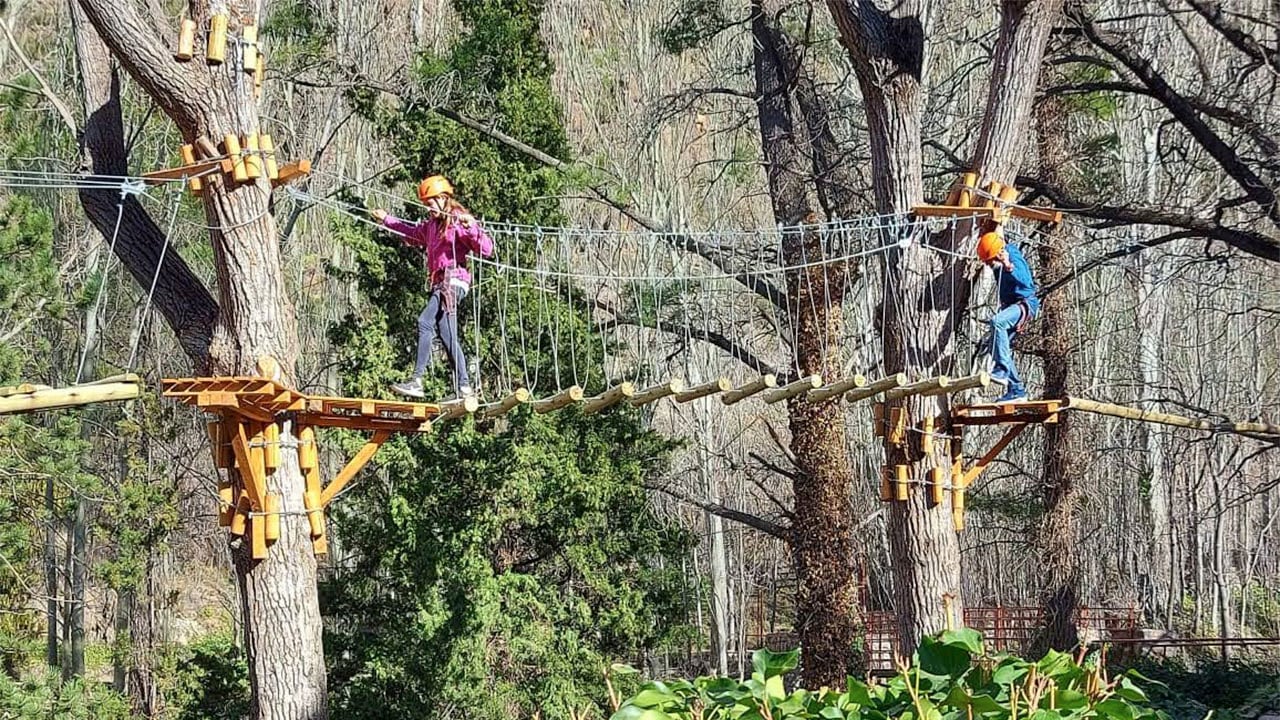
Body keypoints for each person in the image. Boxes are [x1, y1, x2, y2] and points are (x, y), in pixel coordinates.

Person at [372, 175, 494, 400]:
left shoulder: (458, 221)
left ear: (443, 198)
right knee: (447, 334)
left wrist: (473, 227)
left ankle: (417, 380)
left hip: (453, 281)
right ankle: (464, 388)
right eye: (426, 204)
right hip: (441, 282)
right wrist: (386, 220)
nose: (428, 209)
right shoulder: (431, 227)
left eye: (431, 203)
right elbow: (409, 232)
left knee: (425, 321)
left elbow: (486, 249)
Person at [976, 228, 1038, 403]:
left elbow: (1026, 283)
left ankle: (1002, 370)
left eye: (989, 261)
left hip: (1025, 304)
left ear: (998, 254)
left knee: (997, 323)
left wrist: (1009, 265)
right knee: (997, 346)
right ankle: (1017, 390)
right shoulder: (998, 264)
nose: (988, 265)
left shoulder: (1012, 255)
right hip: (1011, 306)